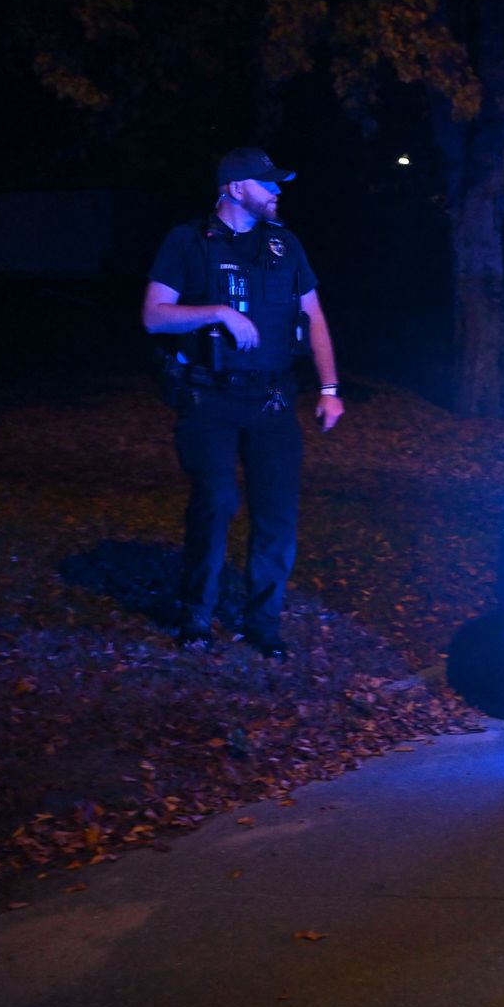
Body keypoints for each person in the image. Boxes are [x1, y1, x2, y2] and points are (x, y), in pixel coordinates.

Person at [142, 148, 345, 661]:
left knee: (277, 514)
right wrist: (218, 312)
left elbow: (314, 316)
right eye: (267, 184)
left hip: (272, 398)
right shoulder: (188, 240)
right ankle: (196, 615)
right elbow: (154, 315)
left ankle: (263, 624)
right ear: (235, 188)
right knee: (216, 503)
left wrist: (329, 389)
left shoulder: (284, 244)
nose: (278, 192)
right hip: (208, 396)